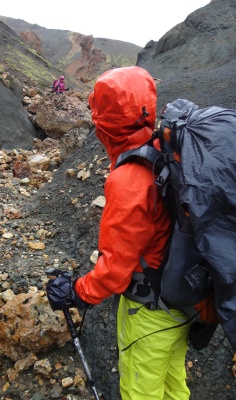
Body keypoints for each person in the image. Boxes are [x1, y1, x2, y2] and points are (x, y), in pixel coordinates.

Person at [47, 66, 191, 400]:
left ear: (104, 124)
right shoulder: (167, 151)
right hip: (184, 297)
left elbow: (114, 270)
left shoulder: (128, 180)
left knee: (141, 391)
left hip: (150, 311)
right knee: (172, 384)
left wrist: (76, 292)